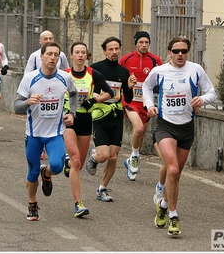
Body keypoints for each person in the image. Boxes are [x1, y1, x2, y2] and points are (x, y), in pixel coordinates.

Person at [142, 37, 216, 236]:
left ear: (188, 52)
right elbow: (146, 87)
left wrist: (202, 99)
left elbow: (212, 92)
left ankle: (164, 205)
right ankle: (174, 216)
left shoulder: (195, 70)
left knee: (176, 174)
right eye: (176, 51)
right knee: (172, 169)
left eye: (184, 51)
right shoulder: (160, 71)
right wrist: (149, 105)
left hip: (186, 129)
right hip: (165, 126)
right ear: (169, 52)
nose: (180, 54)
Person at [13, 42, 78, 221]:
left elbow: (74, 94)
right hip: (33, 134)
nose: (53, 58)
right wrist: (28, 102)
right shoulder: (30, 79)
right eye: (49, 54)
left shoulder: (65, 78)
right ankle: (32, 203)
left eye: (56, 55)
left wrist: (72, 113)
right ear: (41, 56)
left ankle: (46, 174)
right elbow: (16, 106)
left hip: (55, 133)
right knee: (32, 173)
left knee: (57, 166)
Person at [63, 42, 114, 217]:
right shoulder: (65, 74)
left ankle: (67, 163)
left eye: (83, 52)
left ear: (87, 55)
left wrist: (94, 101)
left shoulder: (93, 74)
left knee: (79, 163)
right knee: (77, 162)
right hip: (69, 118)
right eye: (76, 52)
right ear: (71, 55)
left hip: (85, 119)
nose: (80, 55)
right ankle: (78, 204)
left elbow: (110, 93)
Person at [85, 36, 137, 202]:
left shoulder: (123, 71)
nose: (114, 52)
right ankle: (93, 157)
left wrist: (129, 87)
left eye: (117, 49)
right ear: (105, 51)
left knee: (113, 157)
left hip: (116, 116)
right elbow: (86, 89)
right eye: (111, 49)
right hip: (100, 115)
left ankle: (102, 189)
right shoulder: (95, 69)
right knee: (103, 156)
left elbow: (127, 99)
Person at [119, 31, 163, 181]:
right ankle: (136, 156)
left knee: (141, 133)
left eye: (146, 42)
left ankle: (131, 158)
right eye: (141, 42)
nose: (144, 45)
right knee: (138, 128)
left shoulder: (155, 60)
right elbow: (119, 78)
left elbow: (162, 78)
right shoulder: (126, 59)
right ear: (135, 43)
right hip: (130, 100)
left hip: (146, 102)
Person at [24, 30, 70, 159]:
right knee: (40, 120)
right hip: (38, 93)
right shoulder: (34, 56)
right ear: (40, 41)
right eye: (45, 39)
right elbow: (27, 74)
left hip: (55, 91)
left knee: (52, 119)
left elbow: (67, 70)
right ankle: (41, 147)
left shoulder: (61, 56)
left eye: (51, 38)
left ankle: (54, 150)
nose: (49, 40)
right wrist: (29, 95)